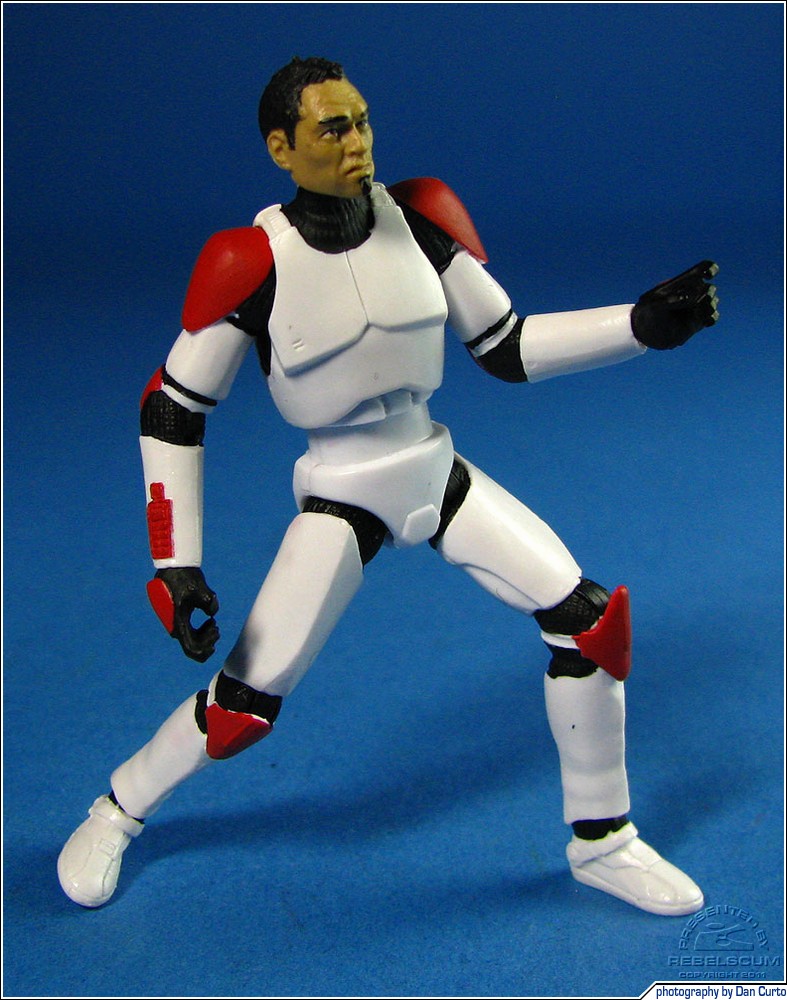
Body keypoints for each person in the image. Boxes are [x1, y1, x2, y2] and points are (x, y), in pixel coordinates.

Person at [58, 56, 719, 913]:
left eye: (362, 121)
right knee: (242, 706)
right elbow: (174, 408)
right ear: (281, 148)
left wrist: (636, 327)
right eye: (331, 128)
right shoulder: (252, 263)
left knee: (589, 626)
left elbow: (506, 346)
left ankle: (603, 843)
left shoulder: (421, 219)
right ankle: (116, 809)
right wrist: (174, 563)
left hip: (434, 468)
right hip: (341, 491)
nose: (357, 142)